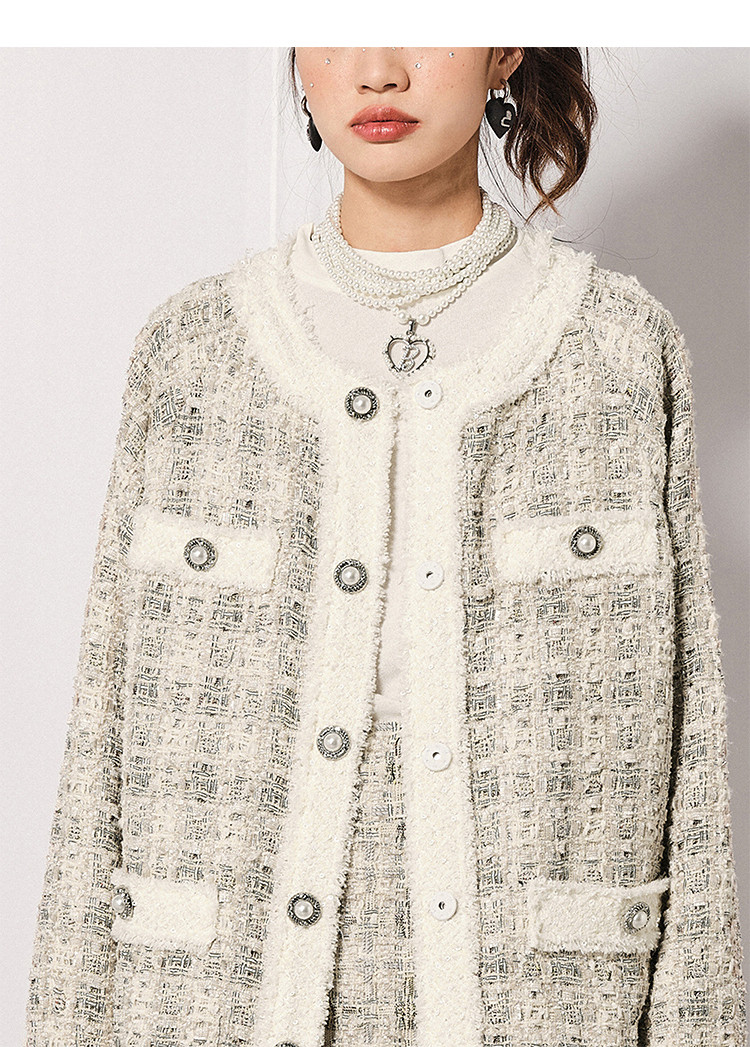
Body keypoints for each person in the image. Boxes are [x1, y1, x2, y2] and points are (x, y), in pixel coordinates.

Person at [25, 47, 746, 1047]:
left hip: (542, 1011)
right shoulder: (194, 351)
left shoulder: (617, 350)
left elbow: (691, 767)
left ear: (503, 48)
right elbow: (100, 748)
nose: (376, 70)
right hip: (207, 1009)